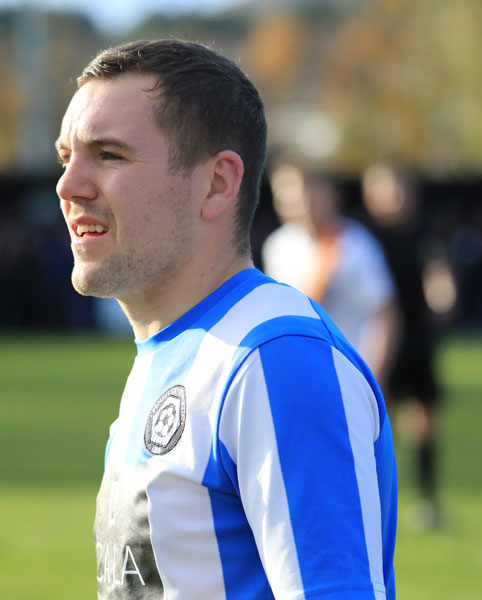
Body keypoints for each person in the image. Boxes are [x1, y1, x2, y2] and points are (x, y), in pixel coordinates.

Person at [56, 39, 396, 599]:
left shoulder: (275, 358)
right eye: (67, 157)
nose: (69, 186)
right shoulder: (175, 351)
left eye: (109, 155)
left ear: (217, 183)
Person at [362, 163, 454, 529]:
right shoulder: (363, 238)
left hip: (418, 338)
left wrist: (443, 298)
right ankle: (377, 501)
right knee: (381, 421)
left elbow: (438, 274)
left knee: (425, 419)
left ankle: (429, 501)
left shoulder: (424, 233)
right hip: (380, 338)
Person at [263, 160, 399, 388]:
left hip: (350, 373)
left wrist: (373, 377)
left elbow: (385, 315)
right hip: (298, 371)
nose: (301, 203)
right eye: (287, 195)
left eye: (309, 193)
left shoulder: (355, 244)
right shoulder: (277, 246)